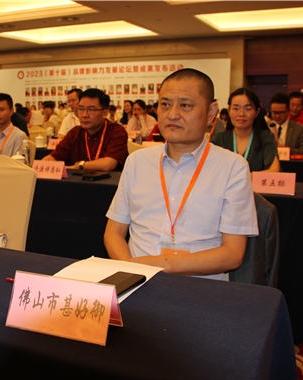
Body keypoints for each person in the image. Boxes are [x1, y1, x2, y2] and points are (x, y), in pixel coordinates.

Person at [104, 68, 258, 280]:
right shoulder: (137, 162)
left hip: (197, 286)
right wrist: (130, 271)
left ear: (211, 113)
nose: (172, 115)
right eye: (165, 104)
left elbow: (233, 254)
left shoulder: (232, 167)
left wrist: (161, 265)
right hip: (136, 280)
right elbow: (113, 232)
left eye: (185, 105)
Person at [43, 88, 128, 172]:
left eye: (91, 110)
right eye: (81, 109)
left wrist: (79, 166)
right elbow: (52, 158)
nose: (84, 115)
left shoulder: (116, 132)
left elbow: (108, 164)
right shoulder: (75, 133)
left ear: (104, 113)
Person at [211, 88, 280, 172]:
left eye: (248, 109)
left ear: (257, 112)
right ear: (229, 111)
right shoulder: (219, 139)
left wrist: (242, 177)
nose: (241, 114)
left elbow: (274, 170)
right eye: (236, 108)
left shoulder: (266, 138)